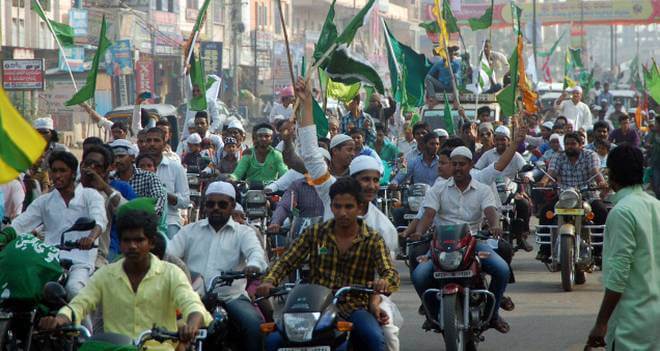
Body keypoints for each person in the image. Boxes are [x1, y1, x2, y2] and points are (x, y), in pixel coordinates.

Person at [38, 198, 212, 346]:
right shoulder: (106, 274)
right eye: (127, 240)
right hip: (115, 348)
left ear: (151, 243)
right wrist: (59, 320)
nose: (132, 246)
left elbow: (192, 304)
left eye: (139, 240)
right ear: (120, 244)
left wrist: (192, 325)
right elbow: (80, 303)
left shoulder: (171, 273)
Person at [257, 177, 400, 351]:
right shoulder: (317, 233)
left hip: (354, 307)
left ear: (360, 208)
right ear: (331, 206)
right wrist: (269, 280)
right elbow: (287, 261)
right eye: (337, 206)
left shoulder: (372, 239)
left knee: (374, 338)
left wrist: (384, 282)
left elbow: (390, 273)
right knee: (273, 341)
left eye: (349, 207)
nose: (342, 212)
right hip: (315, 307)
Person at [412, 146, 510, 333]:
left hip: (473, 241)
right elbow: (428, 214)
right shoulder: (438, 189)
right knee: (419, 275)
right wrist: (419, 231)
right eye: (454, 164)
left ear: (470, 165)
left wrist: (495, 225)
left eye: (462, 164)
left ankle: (493, 314)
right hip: (441, 245)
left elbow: (490, 211)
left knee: (502, 270)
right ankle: (432, 315)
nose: (458, 168)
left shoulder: (482, 189)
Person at [168, 181, 268, 351]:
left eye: (222, 204)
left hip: (231, 297)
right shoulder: (189, 231)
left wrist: (253, 266)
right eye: (210, 203)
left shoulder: (243, 232)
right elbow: (169, 255)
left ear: (232, 206)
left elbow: (256, 254)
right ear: (204, 206)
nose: (216, 208)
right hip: (192, 297)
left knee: (253, 326)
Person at [586, 145, 660, 351]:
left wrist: (601, 323)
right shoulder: (655, 205)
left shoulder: (622, 212)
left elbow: (619, 273)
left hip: (632, 320)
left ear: (612, 175)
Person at [11, 151, 108, 298]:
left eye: (62, 170)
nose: (57, 175)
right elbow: (20, 224)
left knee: (74, 290)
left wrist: (90, 238)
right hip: (49, 260)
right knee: (26, 289)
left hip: (80, 261)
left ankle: (83, 322)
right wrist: (5, 236)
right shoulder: (44, 201)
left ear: (73, 174)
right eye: (54, 171)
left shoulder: (90, 195)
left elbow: (100, 220)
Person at [536, 132, 609, 261]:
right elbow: (551, 172)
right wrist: (544, 181)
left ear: (581, 145)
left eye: (573, 144)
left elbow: (595, 171)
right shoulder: (558, 156)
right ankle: (545, 250)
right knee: (545, 212)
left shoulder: (590, 155)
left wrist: (601, 182)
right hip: (565, 197)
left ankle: (599, 251)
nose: (569, 146)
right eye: (567, 144)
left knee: (602, 211)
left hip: (587, 195)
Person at [475, 126, 532, 251]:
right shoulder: (487, 155)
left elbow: (525, 168)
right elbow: (477, 169)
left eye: (503, 140)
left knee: (524, 204)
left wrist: (527, 176)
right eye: (498, 139)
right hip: (491, 189)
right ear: (494, 140)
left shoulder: (515, 155)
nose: (500, 142)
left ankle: (521, 236)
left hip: (511, 188)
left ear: (508, 141)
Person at [80, 145, 137, 265]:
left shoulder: (109, 194)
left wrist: (105, 187)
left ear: (108, 169)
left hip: (97, 258)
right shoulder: (69, 190)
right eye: (87, 164)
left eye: (97, 166)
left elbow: (131, 216)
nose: (90, 169)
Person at [144, 127, 190, 238]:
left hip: (170, 220)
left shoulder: (176, 168)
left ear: (164, 144)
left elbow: (185, 201)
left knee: (170, 251)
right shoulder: (137, 167)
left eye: (156, 140)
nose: (152, 144)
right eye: (149, 140)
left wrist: (162, 193)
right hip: (142, 218)